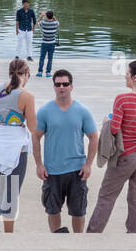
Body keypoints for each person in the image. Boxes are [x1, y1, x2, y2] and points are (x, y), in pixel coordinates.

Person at [87, 61, 136, 234]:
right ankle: (133, 234)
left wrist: (107, 121)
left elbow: (114, 128)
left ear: (135, 78)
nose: (125, 76)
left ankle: (93, 234)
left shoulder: (122, 99)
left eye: (127, 74)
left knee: (106, 197)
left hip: (126, 155)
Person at [33, 69, 99, 233]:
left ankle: (78, 240)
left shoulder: (82, 111)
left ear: (71, 86)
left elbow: (94, 137)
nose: (61, 87)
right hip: (52, 171)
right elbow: (35, 137)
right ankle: (57, 238)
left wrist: (88, 165)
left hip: (77, 170)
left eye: (65, 84)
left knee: (78, 211)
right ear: (54, 87)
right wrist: (39, 165)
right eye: (58, 84)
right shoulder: (45, 111)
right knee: (52, 210)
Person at [0, 59, 36, 233]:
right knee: (12, 193)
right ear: (27, 73)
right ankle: (8, 235)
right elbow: (32, 127)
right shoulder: (27, 96)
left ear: (9, 73)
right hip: (16, 148)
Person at [35, 10, 59, 76]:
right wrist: (53, 16)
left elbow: (37, 22)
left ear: (46, 16)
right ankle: (48, 73)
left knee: (42, 57)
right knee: (50, 58)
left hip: (44, 43)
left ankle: (40, 72)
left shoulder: (43, 23)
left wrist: (42, 15)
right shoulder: (55, 24)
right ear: (52, 16)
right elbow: (58, 22)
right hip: (52, 43)